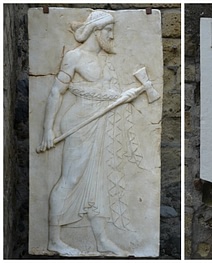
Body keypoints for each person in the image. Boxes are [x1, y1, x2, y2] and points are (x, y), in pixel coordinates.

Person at [37, 11, 151, 256]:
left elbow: (108, 94)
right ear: (97, 31)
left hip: (100, 122)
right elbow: (57, 91)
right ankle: (54, 240)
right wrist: (47, 129)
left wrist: (125, 95)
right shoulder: (74, 57)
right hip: (81, 122)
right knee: (70, 179)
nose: (112, 36)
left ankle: (101, 239)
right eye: (109, 31)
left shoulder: (106, 61)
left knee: (98, 182)